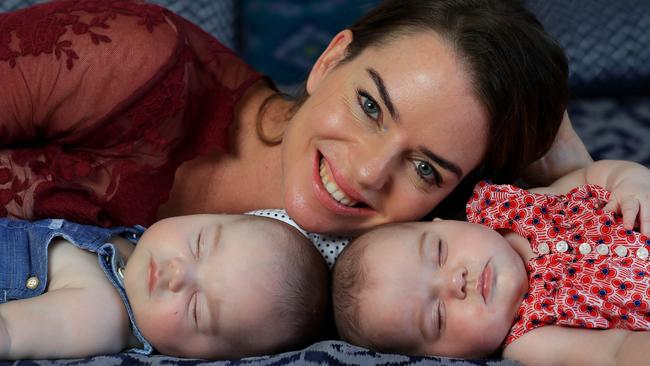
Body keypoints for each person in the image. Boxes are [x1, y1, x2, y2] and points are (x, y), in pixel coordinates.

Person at [0, 0, 591, 236]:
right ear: (330, 58)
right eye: (370, 106)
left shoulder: (412, 266)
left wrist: (576, 167)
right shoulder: (131, 57)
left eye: (425, 168)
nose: (365, 172)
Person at [332, 159, 650, 365]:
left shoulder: (507, 208)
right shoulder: (530, 339)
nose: (454, 282)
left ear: (443, 222)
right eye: (438, 316)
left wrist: (632, 184)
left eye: (439, 253)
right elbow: (617, 352)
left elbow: (593, 175)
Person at [0, 213, 329, 360]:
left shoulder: (100, 315)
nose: (176, 274)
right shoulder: (133, 246)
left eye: (197, 309)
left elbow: (9, 332)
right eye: (199, 244)